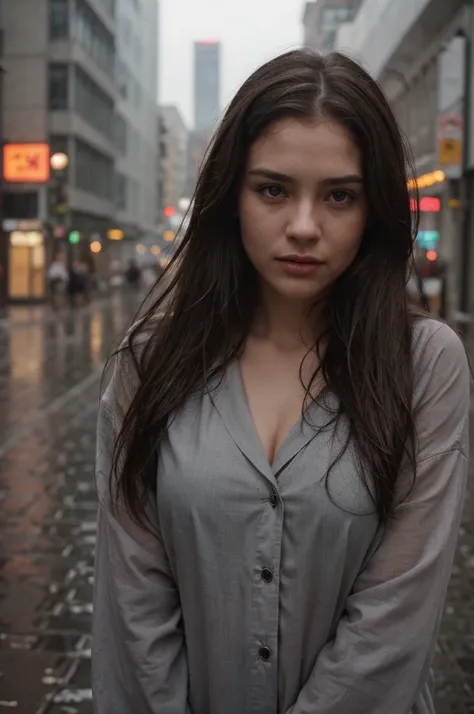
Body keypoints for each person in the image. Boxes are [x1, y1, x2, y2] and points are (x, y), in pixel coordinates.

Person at [92, 51, 470, 714]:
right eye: (273, 189)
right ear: (230, 197)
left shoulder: (426, 366)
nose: (303, 226)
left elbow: (394, 617)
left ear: (375, 208)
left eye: (338, 196)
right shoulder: (147, 367)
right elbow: (133, 614)